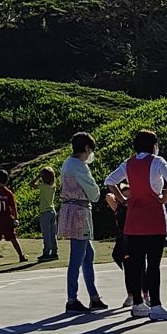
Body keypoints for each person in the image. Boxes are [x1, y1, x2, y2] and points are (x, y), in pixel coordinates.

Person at [104, 130, 167, 320]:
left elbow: (109, 181)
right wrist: (163, 198)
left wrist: (123, 199)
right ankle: (155, 305)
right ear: (153, 145)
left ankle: (138, 303)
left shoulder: (128, 164)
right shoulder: (157, 161)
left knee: (135, 264)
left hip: (133, 221)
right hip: (154, 219)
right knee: (153, 264)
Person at [57, 134, 102, 314]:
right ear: (86, 149)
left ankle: (94, 296)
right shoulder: (79, 166)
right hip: (79, 212)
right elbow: (94, 192)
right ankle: (72, 299)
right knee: (77, 257)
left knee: (87, 254)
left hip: (72, 209)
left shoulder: (68, 163)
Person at [33, 165, 60, 261]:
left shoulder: (43, 186)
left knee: (46, 233)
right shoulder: (53, 186)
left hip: (45, 212)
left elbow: (31, 184)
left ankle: (46, 251)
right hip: (52, 211)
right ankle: (54, 251)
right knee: (53, 233)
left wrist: (37, 176)